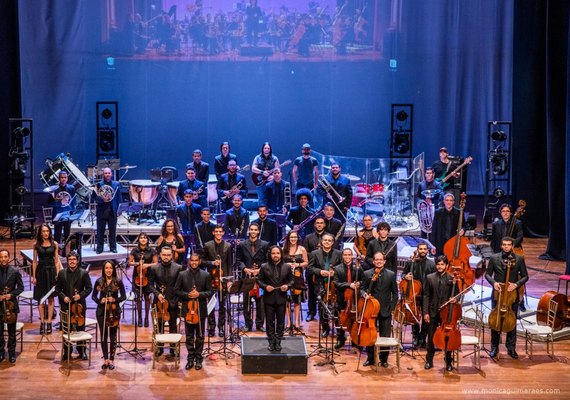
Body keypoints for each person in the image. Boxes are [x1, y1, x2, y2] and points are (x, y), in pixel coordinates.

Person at [485, 237, 529, 360]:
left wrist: (516, 285)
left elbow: (525, 276)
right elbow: (487, 274)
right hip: (497, 294)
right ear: (501, 246)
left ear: (512, 246)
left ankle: (511, 348)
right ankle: (494, 347)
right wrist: (494, 283)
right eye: (504, 244)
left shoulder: (519, 259)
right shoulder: (494, 258)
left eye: (508, 245)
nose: (506, 247)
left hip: (511, 295)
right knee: (495, 321)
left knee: (512, 321)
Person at [175, 253, 212, 371]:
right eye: (192, 260)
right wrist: (188, 295)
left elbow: (210, 292)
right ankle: (190, 359)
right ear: (189, 261)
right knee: (189, 336)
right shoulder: (182, 274)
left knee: (200, 336)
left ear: (200, 261)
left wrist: (199, 294)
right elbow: (177, 290)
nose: (194, 262)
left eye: (196, 260)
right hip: (188, 310)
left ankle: (199, 359)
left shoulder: (206, 275)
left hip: (200, 310)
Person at [362, 252, 397, 368]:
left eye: (381, 260)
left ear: (384, 261)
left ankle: (384, 359)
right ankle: (370, 358)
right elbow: (362, 288)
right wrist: (364, 294)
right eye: (376, 259)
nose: (378, 261)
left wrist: (392, 308)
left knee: (385, 335)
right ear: (373, 261)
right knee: (370, 335)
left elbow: (395, 293)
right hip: (370, 310)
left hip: (385, 310)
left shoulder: (391, 274)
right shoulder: (367, 274)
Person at [56, 251, 93, 360]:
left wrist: (80, 296)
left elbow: (89, 288)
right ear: (67, 261)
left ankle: (82, 351)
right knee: (66, 329)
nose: (72, 261)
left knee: (80, 328)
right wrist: (63, 297)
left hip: (79, 307)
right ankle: (67, 352)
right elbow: (57, 289)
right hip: (66, 306)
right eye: (70, 259)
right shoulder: (62, 273)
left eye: (74, 259)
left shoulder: (83, 273)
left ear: (77, 261)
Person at [423, 255, 458, 371]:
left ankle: (448, 362)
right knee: (431, 337)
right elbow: (426, 296)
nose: (440, 266)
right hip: (433, 312)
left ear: (446, 266)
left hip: (447, 314)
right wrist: (425, 312)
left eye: (442, 264)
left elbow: (457, 294)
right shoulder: (429, 277)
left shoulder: (452, 278)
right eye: (438, 264)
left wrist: (455, 299)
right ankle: (429, 360)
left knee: (448, 338)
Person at [148, 246, 183, 356]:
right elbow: (149, 285)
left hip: (173, 302)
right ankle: (160, 349)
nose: (166, 257)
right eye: (164, 255)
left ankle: (173, 350)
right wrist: (158, 295)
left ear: (171, 255)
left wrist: (176, 300)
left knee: (173, 326)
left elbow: (180, 286)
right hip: (159, 303)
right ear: (160, 255)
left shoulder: (178, 268)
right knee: (160, 326)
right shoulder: (154, 268)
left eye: (168, 255)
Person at [257, 246, 293, 352]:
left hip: (281, 298)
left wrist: (287, 286)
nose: (275, 255)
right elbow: (259, 280)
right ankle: (271, 342)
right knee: (269, 322)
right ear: (270, 254)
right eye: (273, 253)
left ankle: (278, 342)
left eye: (278, 253)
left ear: (281, 254)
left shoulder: (287, 267)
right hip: (269, 299)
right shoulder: (264, 266)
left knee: (281, 322)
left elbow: (291, 280)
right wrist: (265, 287)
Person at [91, 260, 126, 370]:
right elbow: (93, 296)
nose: (108, 270)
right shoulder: (99, 281)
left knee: (113, 335)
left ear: (113, 269)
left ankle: (111, 359)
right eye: (106, 268)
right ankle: (105, 359)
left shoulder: (118, 281)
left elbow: (124, 296)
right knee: (103, 335)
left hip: (114, 311)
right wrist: (100, 300)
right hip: (102, 311)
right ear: (103, 269)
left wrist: (115, 299)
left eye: (110, 268)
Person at [491, 203, 526, 310]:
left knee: (517, 277)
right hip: (500, 254)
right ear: (500, 213)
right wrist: (496, 253)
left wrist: (510, 245)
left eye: (507, 211)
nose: (505, 213)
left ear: (510, 213)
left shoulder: (517, 222)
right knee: (498, 276)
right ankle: (496, 300)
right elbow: (494, 240)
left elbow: (520, 236)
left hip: (514, 252)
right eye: (503, 211)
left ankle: (520, 300)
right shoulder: (496, 224)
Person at [401, 242, 435, 348]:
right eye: (421, 249)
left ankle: (422, 337)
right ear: (417, 250)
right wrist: (405, 276)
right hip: (414, 295)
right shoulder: (411, 262)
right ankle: (415, 337)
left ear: (427, 251)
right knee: (414, 316)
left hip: (427, 294)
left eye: (425, 249)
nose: (423, 251)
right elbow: (403, 274)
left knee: (426, 318)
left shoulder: (432, 264)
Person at [308, 233, 342, 336]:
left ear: (332, 242)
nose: (327, 242)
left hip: (334, 285)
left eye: (329, 240)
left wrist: (335, 272)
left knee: (336, 307)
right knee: (322, 307)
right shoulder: (314, 253)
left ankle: (338, 328)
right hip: (320, 284)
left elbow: (342, 267)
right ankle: (325, 328)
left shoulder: (338, 253)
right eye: (325, 240)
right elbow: (309, 268)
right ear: (321, 242)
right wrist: (319, 272)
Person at [237, 223, 269, 332]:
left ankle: (260, 324)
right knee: (246, 302)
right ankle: (248, 324)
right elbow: (238, 260)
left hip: (260, 277)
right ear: (249, 231)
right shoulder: (242, 245)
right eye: (251, 229)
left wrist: (259, 270)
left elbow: (267, 261)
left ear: (258, 231)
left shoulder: (265, 244)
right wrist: (245, 269)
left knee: (260, 302)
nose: (253, 231)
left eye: (255, 230)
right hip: (247, 277)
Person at [202, 225, 233, 337]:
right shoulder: (207, 245)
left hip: (223, 279)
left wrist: (229, 280)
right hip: (211, 278)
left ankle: (221, 328)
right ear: (213, 232)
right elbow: (202, 261)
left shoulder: (228, 246)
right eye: (216, 231)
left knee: (222, 305)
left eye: (220, 231)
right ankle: (211, 327)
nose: (218, 233)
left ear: (223, 233)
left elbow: (230, 264)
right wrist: (211, 263)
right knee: (211, 304)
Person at [32, 223, 62, 334]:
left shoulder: (55, 244)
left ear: (50, 232)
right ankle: (42, 322)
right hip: (40, 272)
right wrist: (34, 276)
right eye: (43, 231)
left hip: (51, 272)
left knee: (50, 298)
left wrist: (58, 274)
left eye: (47, 231)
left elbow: (57, 261)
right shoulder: (36, 244)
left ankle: (49, 322)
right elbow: (35, 261)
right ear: (40, 233)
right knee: (40, 298)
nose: (45, 233)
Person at [332, 248, 361, 349]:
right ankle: (341, 338)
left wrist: (358, 283)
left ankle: (354, 339)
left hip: (355, 298)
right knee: (340, 318)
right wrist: (349, 285)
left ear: (352, 256)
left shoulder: (358, 268)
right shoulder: (338, 268)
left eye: (349, 255)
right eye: (345, 255)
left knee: (354, 318)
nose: (347, 257)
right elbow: (336, 283)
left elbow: (362, 280)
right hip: (342, 297)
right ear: (342, 256)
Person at [0, 249, 24, 364]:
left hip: (11, 306)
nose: (3, 259)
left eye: (5, 257)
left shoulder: (14, 271)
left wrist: (11, 294)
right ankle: (1, 353)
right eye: (1, 257)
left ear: (9, 258)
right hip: (0, 306)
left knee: (11, 332)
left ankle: (11, 353)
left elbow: (20, 288)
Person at [129, 232, 157, 327]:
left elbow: (156, 263)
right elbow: (130, 263)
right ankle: (139, 318)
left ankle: (146, 318)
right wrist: (137, 263)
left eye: (145, 238)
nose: (143, 239)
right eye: (141, 238)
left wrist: (147, 265)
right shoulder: (134, 250)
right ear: (139, 240)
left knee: (147, 297)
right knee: (139, 298)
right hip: (137, 276)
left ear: (147, 240)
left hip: (148, 276)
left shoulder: (152, 251)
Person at [282, 230, 309, 330]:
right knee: (287, 300)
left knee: (297, 300)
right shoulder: (284, 249)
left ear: (297, 238)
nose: (293, 239)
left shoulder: (302, 249)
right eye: (291, 237)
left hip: (298, 276)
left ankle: (297, 322)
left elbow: (306, 262)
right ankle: (289, 322)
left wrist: (297, 265)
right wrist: (287, 265)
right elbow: (280, 263)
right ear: (288, 238)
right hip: (286, 276)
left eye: (295, 237)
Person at [92, 167, 121, 254]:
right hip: (102, 210)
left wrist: (119, 209)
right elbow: (94, 196)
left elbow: (119, 197)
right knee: (100, 231)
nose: (107, 174)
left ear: (111, 174)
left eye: (109, 173)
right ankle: (100, 248)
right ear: (103, 174)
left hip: (112, 210)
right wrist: (102, 200)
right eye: (105, 173)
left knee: (113, 231)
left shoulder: (116, 184)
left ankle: (113, 247)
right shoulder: (99, 184)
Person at [303, 216, 327, 321]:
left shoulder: (328, 237)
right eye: (317, 223)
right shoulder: (308, 237)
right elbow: (305, 253)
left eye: (321, 223)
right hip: (312, 269)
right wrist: (315, 255)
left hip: (324, 269)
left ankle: (324, 314)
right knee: (312, 292)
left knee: (324, 292)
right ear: (314, 224)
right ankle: (311, 312)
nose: (319, 225)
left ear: (324, 225)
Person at [46, 170, 76, 249]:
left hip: (67, 214)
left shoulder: (71, 188)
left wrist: (72, 213)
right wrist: (57, 201)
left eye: (65, 177)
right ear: (59, 178)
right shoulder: (54, 189)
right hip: (57, 214)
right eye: (62, 178)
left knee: (67, 235)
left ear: (67, 178)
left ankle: (66, 251)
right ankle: (56, 252)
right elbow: (49, 202)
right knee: (57, 235)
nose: (63, 179)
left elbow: (73, 201)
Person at [252, 142, 280, 207]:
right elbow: (253, 168)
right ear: (263, 149)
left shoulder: (274, 158)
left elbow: (278, 170)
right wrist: (262, 172)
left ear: (270, 149)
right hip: (260, 182)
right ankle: (262, 215)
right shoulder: (257, 157)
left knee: (271, 198)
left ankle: (271, 215)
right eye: (265, 148)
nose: (266, 149)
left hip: (271, 182)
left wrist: (273, 176)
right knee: (261, 199)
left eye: (268, 148)